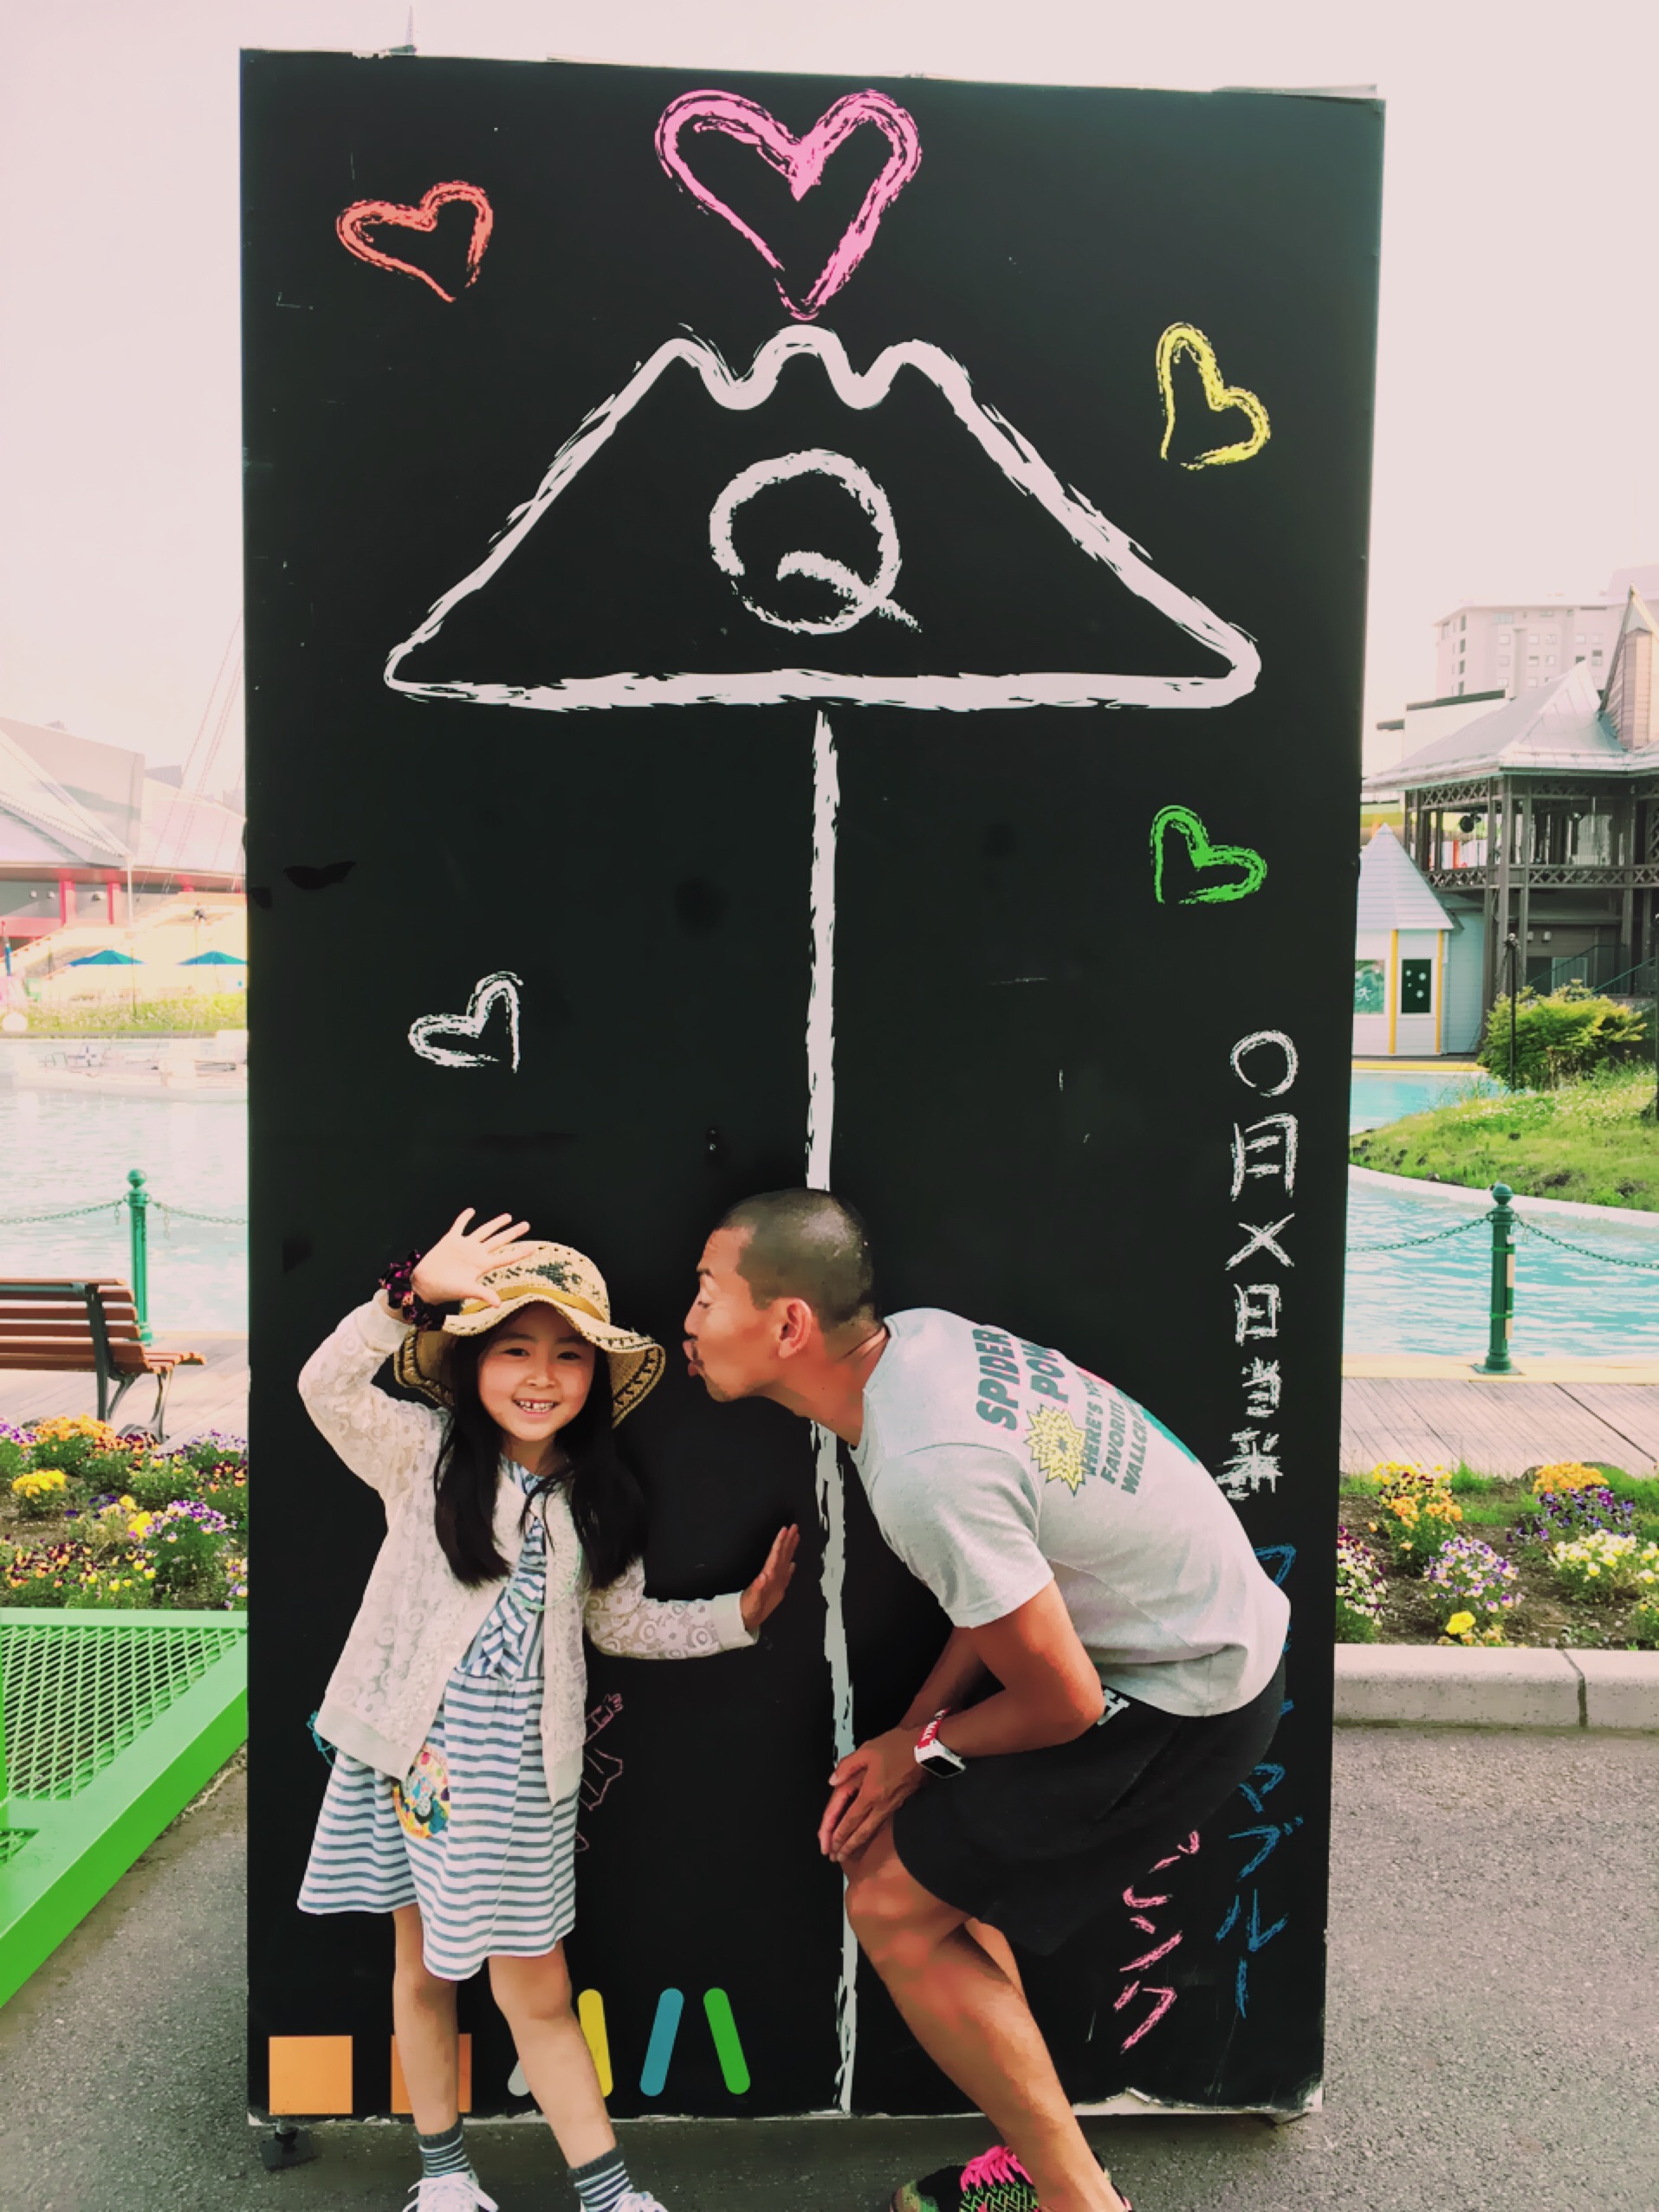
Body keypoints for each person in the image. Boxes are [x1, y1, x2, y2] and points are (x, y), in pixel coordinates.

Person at [683, 1190, 1290, 2212]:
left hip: (1188, 1689)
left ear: (788, 1325)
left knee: (890, 1906)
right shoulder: (918, 1349)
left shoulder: (925, 1469)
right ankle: (1040, 2166)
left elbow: (1064, 1701)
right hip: (1167, 1642)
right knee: (917, 1872)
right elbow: (1009, 1578)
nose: (688, 1321)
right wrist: (911, 1738)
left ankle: (1076, 2201)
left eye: (706, 1295)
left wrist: (918, 1749)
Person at [297, 1208, 799, 2212]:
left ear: (597, 1378)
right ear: (472, 1361)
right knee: (421, 1972)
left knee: (537, 1990)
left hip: (524, 1780)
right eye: (515, 1348)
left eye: (569, 1355)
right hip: (414, 1765)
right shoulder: (422, 1454)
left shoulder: (598, 1500)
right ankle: (445, 2176)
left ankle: (609, 2195)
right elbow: (325, 1387)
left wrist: (735, 1618)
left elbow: (620, 1625)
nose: (541, 1375)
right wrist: (409, 1296)